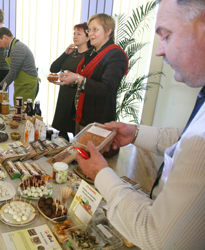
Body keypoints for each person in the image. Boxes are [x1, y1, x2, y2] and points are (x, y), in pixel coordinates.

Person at [76, 0, 205, 248]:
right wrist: (135, 133)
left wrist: (101, 174)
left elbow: (157, 236)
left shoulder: (114, 54)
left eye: (166, 36)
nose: (159, 51)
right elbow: (185, 137)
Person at [57, 13, 128, 157]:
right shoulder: (91, 53)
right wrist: (71, 79)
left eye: (96, 29)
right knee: (80, 157)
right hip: (81, 115)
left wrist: (77, 79)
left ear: (108, 31)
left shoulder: (115, 55)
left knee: (91, 160)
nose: (91, 34)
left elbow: (107, 88)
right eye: (89, 30)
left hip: (97, 118)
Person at [50, 22, 91, 141]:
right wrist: (65, 53)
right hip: (64, 94)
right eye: (74, 33)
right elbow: (53, 68)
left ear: (88, 37)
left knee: (77, 133)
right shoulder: (72, 53)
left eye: (79, 33)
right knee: (62, 130)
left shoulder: (89, 56)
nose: (75, 36)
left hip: (77, 96)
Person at [0, 27, 38, 103]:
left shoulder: (17, 48)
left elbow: (12, 73)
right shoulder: (14, 48)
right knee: (18, 110)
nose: (0, 46)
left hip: (27, 85)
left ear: (5, 37)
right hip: (22, 84)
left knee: (23, 112)